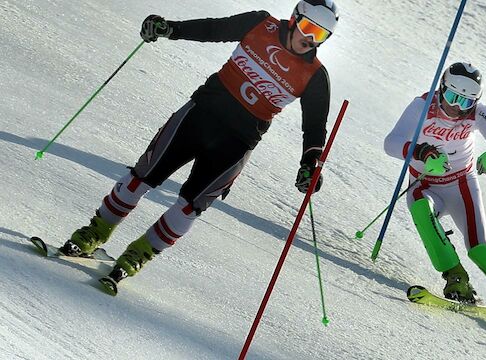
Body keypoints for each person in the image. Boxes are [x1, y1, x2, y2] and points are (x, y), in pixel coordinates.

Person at [59, 0, 340, 292]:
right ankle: (95, 231)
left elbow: (315, 126)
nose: (310, 39)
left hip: (236, 144)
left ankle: (138, 254)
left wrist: (311, 165)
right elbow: (214, 29)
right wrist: (170, 29)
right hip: (199, 115)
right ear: (295, 19)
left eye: (320, 35)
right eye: (308, 27)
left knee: (190, 207)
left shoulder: (315, 76)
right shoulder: (260, 24)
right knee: (141, 177)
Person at [384, 62, 486, 342]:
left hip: (461, 184)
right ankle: (455, 276)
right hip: (425, 182)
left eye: (467, 100)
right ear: (442, 89)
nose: (458, 107)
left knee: (479, 248)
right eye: (452, 97)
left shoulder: (478, 113)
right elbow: (391, 142)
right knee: (420, 206)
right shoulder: (423, 106)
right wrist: (420, 151)